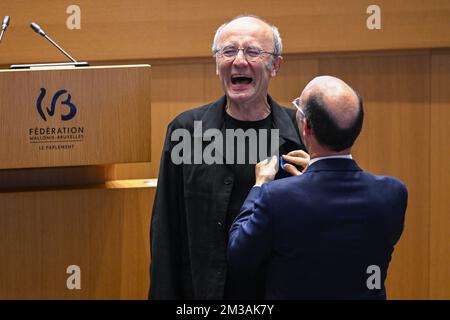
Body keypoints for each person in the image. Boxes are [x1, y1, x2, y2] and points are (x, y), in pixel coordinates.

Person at [149, 15, 308, 299]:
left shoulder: (303, 131)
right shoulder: (186, 131)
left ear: (275, 66)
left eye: (253, 51)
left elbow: (328, 228)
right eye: (229, 51)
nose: (239, 61)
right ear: (216, 63)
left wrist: (318, 180)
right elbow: (166, 232)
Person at [228, 76, 408, 299]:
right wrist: (312, 179)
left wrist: (259, 185)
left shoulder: (276, 196)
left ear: (305, 125)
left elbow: (239, 255)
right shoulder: (393, 194)